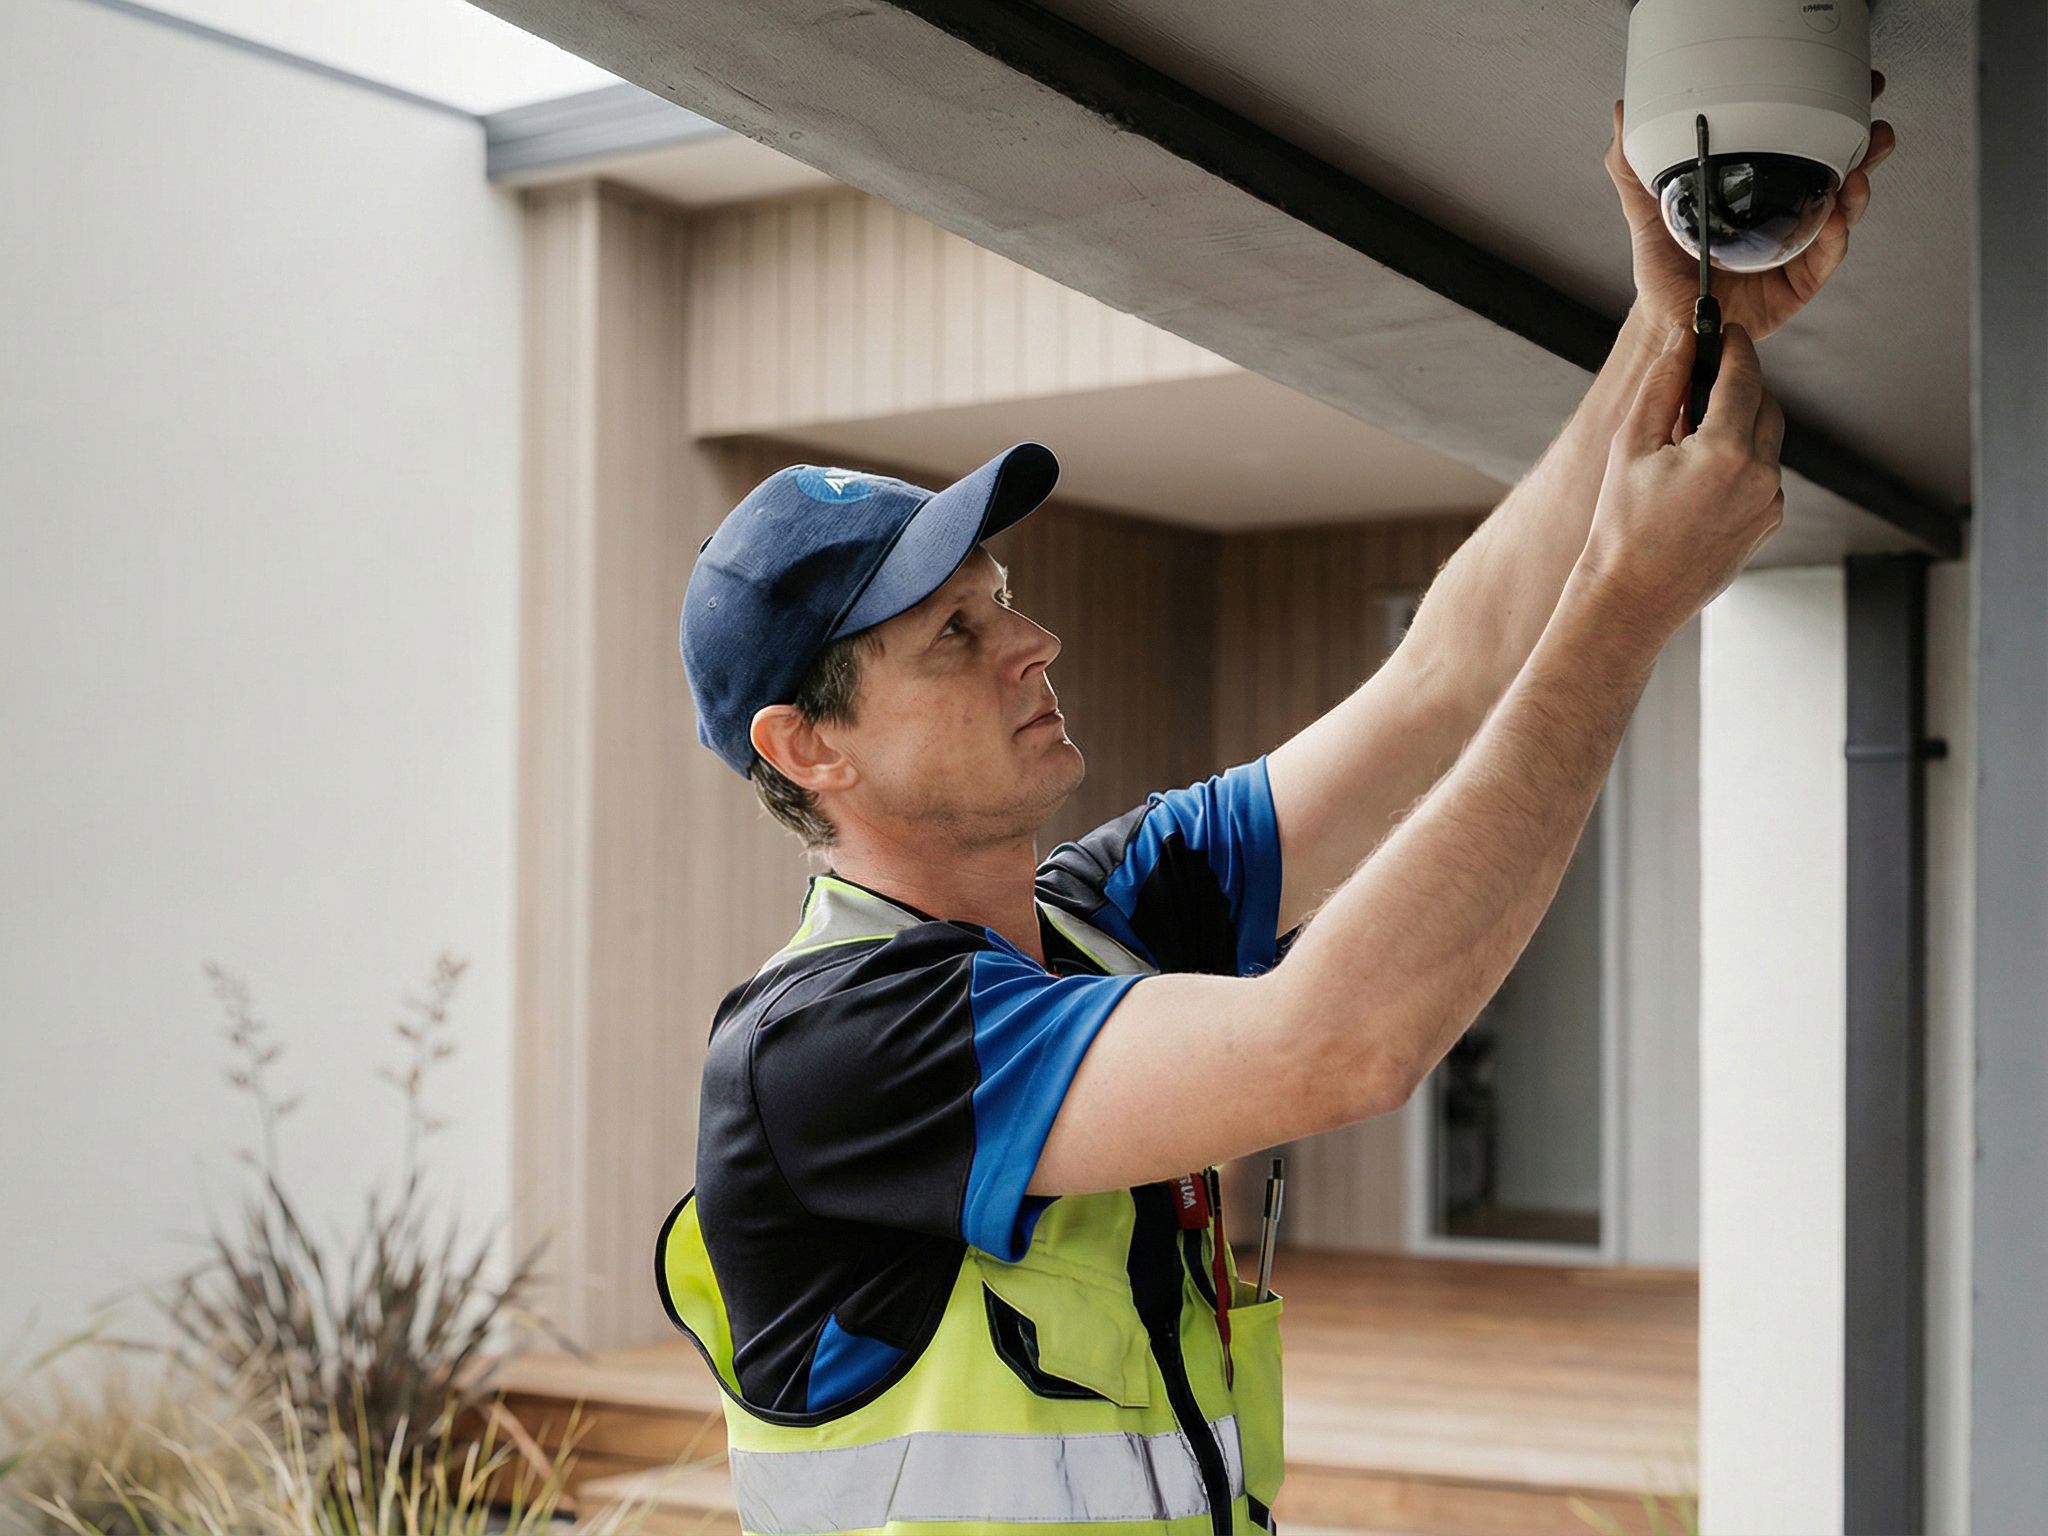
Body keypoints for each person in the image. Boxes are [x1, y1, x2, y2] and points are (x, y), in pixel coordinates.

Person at [656, 102, 1895, 1536]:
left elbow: (1443, 677)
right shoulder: (832, 1050)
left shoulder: (1099, 920)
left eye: (1003, 600)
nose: (1034, 641)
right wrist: (1629, 604)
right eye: (953, 634)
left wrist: (1670, 327)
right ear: (808, 748)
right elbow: (1338, 1043)